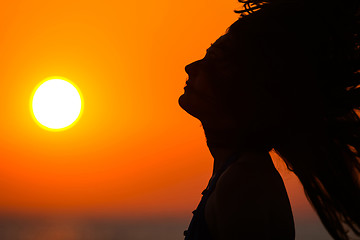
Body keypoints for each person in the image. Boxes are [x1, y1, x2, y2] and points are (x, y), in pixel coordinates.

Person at [178, 0, 360, 239]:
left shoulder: (242, 183)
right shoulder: (238, 174)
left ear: (243, 91)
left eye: (212, 62)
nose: (190, 67)